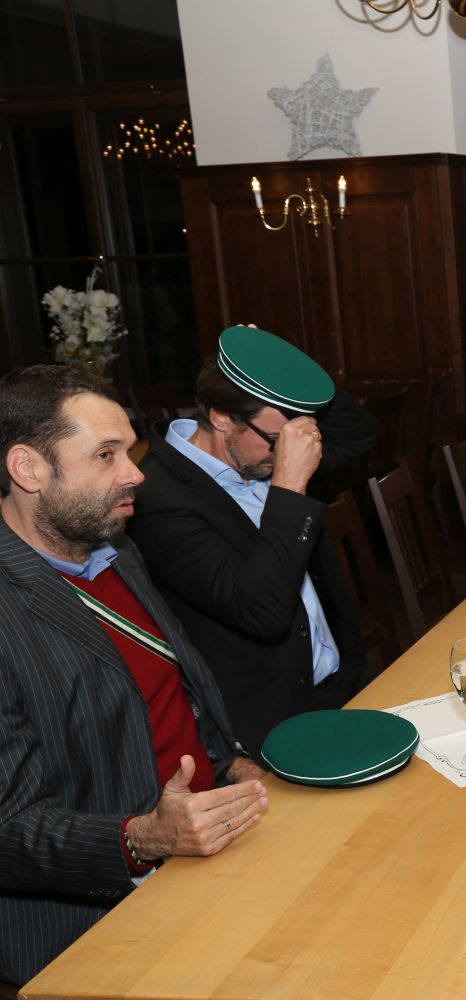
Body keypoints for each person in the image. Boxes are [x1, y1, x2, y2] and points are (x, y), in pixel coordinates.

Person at [0, 366, 269, 986]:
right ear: (28, 469)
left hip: (209, 845)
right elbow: (9, 829)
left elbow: (173, 694)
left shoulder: (115, 550)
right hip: (97, 918)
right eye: (106, 455)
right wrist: (144, 838)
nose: (135, 473)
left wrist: (231, 765)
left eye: (128, 449)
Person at [128, 326, 379, 760]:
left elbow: (361, 431)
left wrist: (283, 369)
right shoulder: (159, 499)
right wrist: (288, 485)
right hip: (273, 722)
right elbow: (260, 611)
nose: (285, 453)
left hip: (340, 681)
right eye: (277, 441)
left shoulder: (255, 451)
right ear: (223, 417)